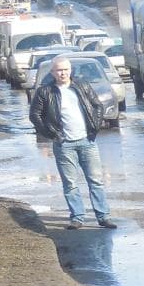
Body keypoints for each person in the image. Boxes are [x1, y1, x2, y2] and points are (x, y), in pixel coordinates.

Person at [28, 57, 115, 230]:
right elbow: (35, 115)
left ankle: (103, 216)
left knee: (96, 181)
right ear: (53, 73)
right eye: (59, 70)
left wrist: (94, 128)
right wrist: (52, 134)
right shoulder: (45, 91)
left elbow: (97, 106)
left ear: (70, 70)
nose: (63, 73)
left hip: (87, 142)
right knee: (70, 184)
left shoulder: (81, 86)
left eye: (66, 69)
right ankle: (77, 217)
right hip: (64, 144)